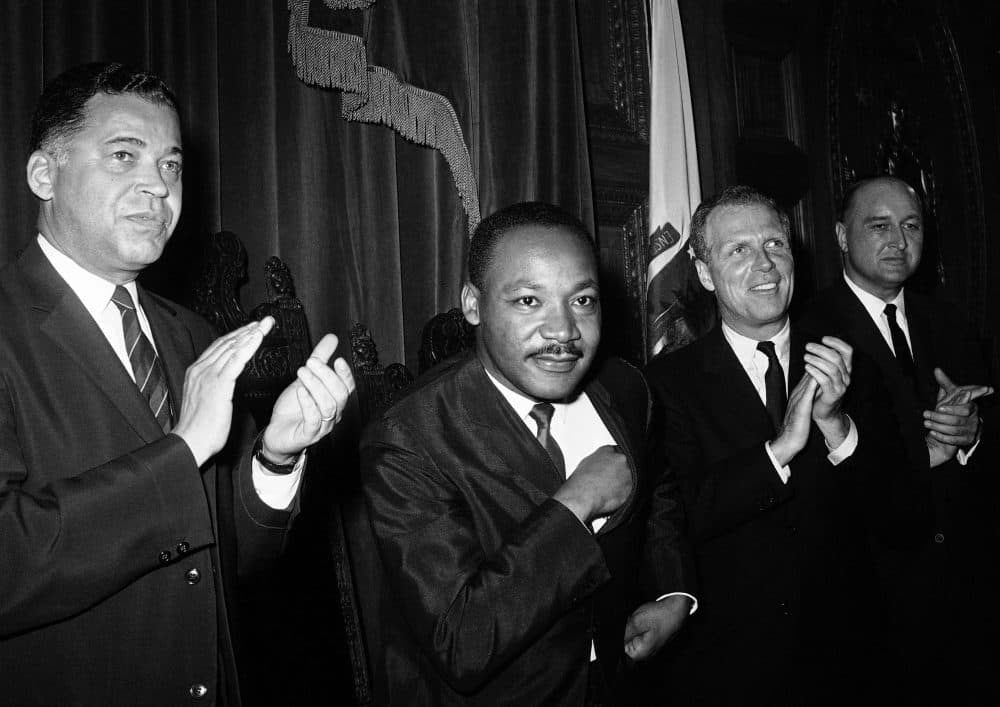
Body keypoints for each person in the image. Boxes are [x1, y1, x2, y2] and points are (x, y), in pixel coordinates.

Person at [0, 62, 355, 705]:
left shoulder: (193, 336)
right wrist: (182, 452)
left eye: (171, 165)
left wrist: (277, 458)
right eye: (122, 156)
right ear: (43, 175)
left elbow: (229, 560)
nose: (158, 188)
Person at [359, 202, 695, 705]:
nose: (563, 331)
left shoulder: (625, 387)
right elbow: (462, 642)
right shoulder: (408, 438)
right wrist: (574, 504)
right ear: (473, 305)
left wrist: (673, 593)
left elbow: (657, 486)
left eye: (582, 300)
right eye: (527, 301)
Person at [643, 186, 900, 705]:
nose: (765, 265)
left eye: (776, 245)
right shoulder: (664, 386)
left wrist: (835, 426)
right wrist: (778, 452)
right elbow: (675, 520)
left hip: (847, 665)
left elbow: (897, 512)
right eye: (738, 250)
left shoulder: (852, 362)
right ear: (705, 273)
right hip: (727, 669)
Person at [799, 175, 997, 704]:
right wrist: (926, 452)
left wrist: (973, 436)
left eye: (911, 226)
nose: (898, 241)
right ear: (841, 236)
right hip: (867, 606)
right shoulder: (807, 328)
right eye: (879, 226)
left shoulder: (950, 319)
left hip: (963, 600)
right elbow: (815, 475)